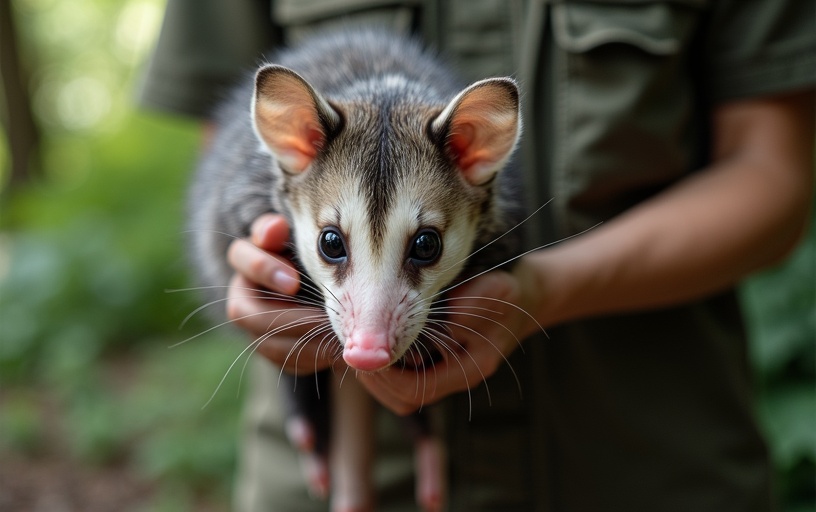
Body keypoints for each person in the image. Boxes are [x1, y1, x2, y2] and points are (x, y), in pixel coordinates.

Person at [141, 1, 815, 510]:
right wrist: (257, 285)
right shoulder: (291, 164)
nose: (369, 330)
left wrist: (541, 291)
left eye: (424, 247)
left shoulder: (476, 189)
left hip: (641, 463)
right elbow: (221, 164)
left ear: (473, 158)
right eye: (333, 246)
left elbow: (774, 173)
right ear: (294, 149)